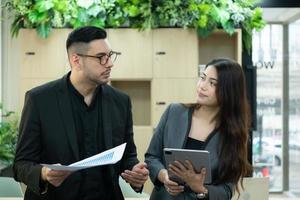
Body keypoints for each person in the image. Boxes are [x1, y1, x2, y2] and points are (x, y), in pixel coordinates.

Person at [13, 26, 149, 200]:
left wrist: (136, 173)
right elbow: (21, 165)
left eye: (110, 55)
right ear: (76, 60)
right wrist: (44, 173)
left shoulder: (120, 101)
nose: (110, 63)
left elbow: (127, 155)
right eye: (101, 57)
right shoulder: (39, 100)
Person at [145, 58, 252, 200]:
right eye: (202, 77)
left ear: (229, 91)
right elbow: (152, 157)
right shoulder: (174, 112)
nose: (202, 86)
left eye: (212, 83)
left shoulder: (233, 136)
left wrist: (200, 188)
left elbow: (227, 190)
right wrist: (164, 176)